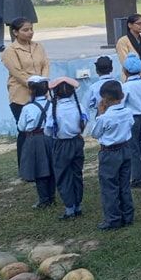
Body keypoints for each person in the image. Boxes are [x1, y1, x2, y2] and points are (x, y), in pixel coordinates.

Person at [1, 17, 50, 169]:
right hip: (21, 95)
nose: (30, 32)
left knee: (42, 130)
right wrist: (35, 85)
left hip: (41, 94)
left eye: (31, 29)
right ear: (15, 32)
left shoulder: (38, 46)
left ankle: (42, 164)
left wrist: (43, 82)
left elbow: (46, 64)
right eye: (25, 30)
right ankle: (24, 167)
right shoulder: (10, 51)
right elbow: (17, 73)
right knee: (25, 131)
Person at [91, 80, 135, 231]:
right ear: (121, 95)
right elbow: (131, 124)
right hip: (125, 148)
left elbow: (95, 134)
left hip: (109, 152)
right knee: (124, 184)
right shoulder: (128, 112)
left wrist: (100, 113)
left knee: (109, 186)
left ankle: (113, 219)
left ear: (105, 99)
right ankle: (128, 215)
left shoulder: (104, 118)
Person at [46, 76, 87, 220]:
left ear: (55, 92)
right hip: (77, 142)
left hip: (61, 144)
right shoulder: (78, 106)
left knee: (63, 175)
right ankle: (78, 205)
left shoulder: (54, 109)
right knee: (77, 173)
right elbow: (84, 121)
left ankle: (69, 208)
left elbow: (48, 130)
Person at [17, 76, 55, 209]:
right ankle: (52, 197)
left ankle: (44, 199)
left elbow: (21, 127)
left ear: (31, 90)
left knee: (39, 169)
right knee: (51, 167)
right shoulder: (52, 104)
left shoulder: (28, 108)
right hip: (50, 137)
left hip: (35, 139)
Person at [121, 53, 141, 188]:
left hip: (132, 119)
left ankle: (136, 177)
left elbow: (122, 103)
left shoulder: (126, 86)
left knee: (133, 148)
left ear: (125, 71)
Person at [116, 14, 141, 81]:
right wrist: (138, 73)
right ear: (130, 25)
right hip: (130, 77)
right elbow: (124, 61)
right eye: (139, 24)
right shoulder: (122, 41)